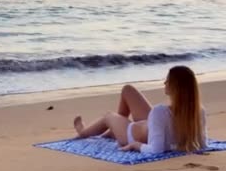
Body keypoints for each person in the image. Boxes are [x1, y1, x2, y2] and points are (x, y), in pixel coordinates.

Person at [73, 65, 207, 153]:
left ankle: (83, 132)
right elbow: (202, 144)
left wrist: (135, 145)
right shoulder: (198, 111)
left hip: (131, 134)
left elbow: (156, 150)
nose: (164, 83)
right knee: (128, 90)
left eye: (168, 80)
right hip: (149, 126)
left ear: (175, 88)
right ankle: (112, 132)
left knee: (108, 116)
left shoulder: (160, 112)